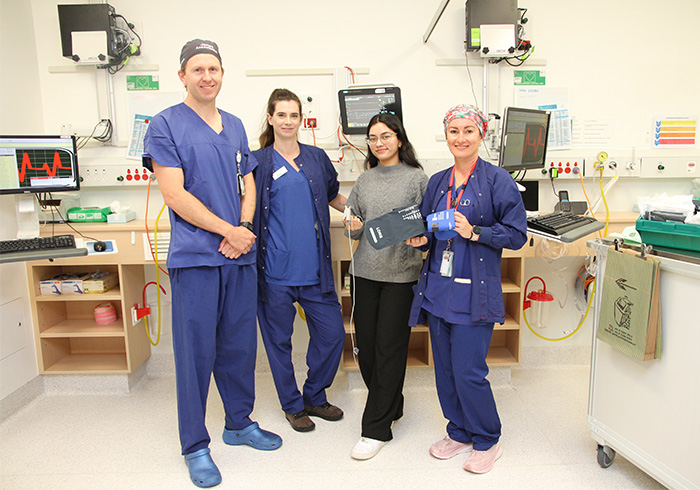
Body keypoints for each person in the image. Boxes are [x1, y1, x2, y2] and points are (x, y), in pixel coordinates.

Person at [143, 39, 281, 488]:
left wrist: (242, 229)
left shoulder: (237, 125)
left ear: (223, 74)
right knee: (195, 353)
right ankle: (195, 445)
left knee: (239, 347)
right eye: (198, 69)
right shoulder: (164, 125)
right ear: (182, 75)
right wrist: (228, 232)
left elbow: (248, 183)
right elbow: (175, 195)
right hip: (198, 259)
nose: (207, 77)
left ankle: (238, 423)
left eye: (214, 69)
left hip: (237, 256)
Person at [406, 104, 527, 474]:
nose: (460, 138)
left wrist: (475, 231)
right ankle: (458, 432)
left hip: (475, 290)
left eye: (468, 131)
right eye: (454, 131)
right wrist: (420, 240)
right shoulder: (438, 181)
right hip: (439, 289)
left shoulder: (497, 180)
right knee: (444, 369)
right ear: (446, 135)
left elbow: (518, 234)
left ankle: (487, 439)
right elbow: (429, 230)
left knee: (469, 370)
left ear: (481, 135)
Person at [253, 88, 346, 433]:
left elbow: (333, 194)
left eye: (294, 115)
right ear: (271, 118)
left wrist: (356, 212)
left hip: (314, 269)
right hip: (274, 271)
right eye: (282, 114)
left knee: (333, 334)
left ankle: (314, 395)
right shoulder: (258, 161)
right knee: (279, 342)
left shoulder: (316, 157)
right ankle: (293, 406)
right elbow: (246, 206)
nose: (288, 121)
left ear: (300, 119)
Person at [343, 113, 428, 460]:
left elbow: (428, 227)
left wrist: (421, 239)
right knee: (365, 349)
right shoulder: (365, 181)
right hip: (364, 274)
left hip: (400, 277)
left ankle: (376, 429)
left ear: (399, 139)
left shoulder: (418, 179)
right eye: (373, 138)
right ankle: (392, 402)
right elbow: (353, 228)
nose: (379, 143)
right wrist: (352, 224)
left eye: (386, 136)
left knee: (389, 350)